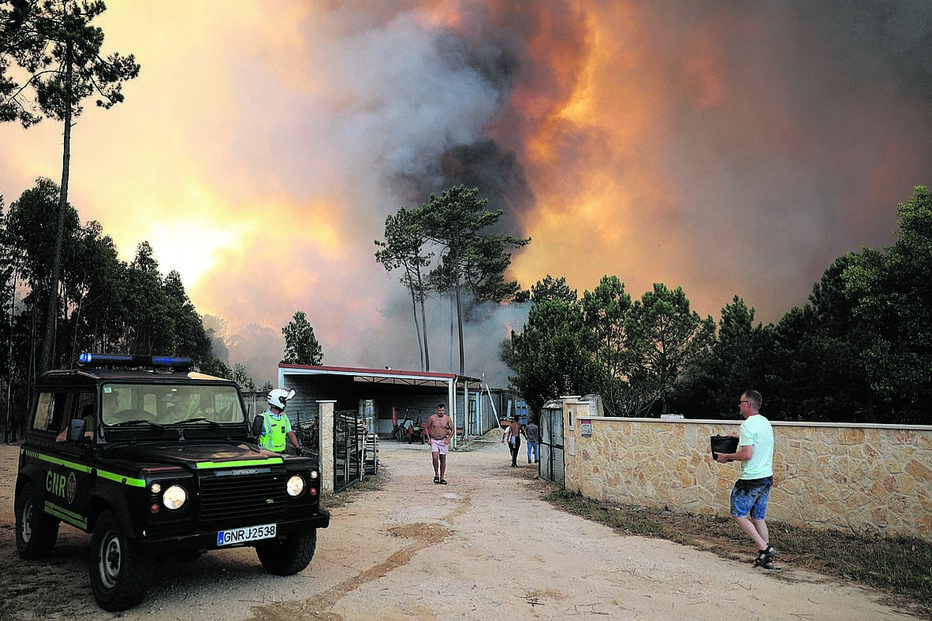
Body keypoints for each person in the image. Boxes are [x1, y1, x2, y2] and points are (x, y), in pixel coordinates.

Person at [716, 389, 776, 569]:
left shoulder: (747, 425)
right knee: (758, 516)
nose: (739, 406)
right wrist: (735, 437)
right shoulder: (765, 422)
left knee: (738, 513)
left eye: (741, 402)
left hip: (751, 479)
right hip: (766, 477)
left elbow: (747, 454)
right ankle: (767, 559)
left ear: (748, 404)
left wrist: (726, 457)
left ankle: (764, 548)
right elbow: (757, 442)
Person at [257, 388, 301, 453]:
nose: (285, 405)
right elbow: (255, 438)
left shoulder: (284, 417)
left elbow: (290, 434)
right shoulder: (262, 418)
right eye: (284, 402)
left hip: (282, 453)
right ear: (277, 401)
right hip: (267, 455)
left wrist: (298, 447)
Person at [424, 403, 454, 484]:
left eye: (442, 410)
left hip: (443, 440)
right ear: (437, 410)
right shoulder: (432, 418)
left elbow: (452, 429)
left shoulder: (447, 418)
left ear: (444, 410)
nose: (441, 412)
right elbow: (426, 427)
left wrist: (448, 439)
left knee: (443, 459)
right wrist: (428, 438)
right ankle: (436, 474)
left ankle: (442, 477)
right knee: (435, 457)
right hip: (434, 440)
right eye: (439, 410)